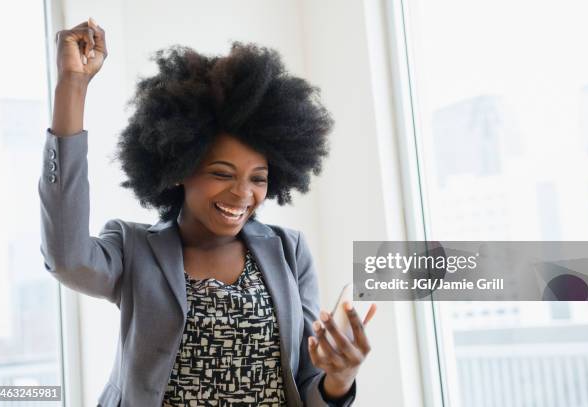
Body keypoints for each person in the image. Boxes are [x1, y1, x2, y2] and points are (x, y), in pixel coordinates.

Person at [40, 17, 376, 407]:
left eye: (259, 178)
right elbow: (65, 257)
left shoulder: (289, 251)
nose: (243, 194)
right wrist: (72, 86)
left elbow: (307, 388)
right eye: (222, 173)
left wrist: (339, 378)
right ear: (180, 168)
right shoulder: (133, 250)